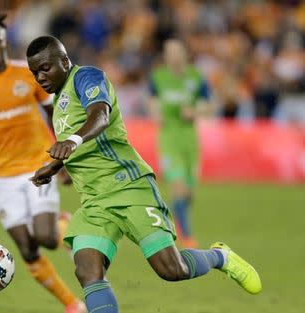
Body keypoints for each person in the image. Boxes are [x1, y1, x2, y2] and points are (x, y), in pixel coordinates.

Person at [26, 35, 261, 313]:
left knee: (172, 269)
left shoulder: (86, 77)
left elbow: (100, 115)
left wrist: (72, 141)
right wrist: (55, 167)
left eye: (45, 68)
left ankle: (221, 256)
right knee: (87, 271)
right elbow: (81, 148)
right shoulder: (58, 104)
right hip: (95, 202)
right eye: (34, 72)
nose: (40, 77)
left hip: (129, 187)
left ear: (64, 61)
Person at [0, 15, 85, 313]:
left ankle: (62, 223)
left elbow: (55, 114)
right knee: (27, 249)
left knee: (46, 239)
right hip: (1, 178)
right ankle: (72, 305)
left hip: (37, 166)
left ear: (5, 43)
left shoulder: (27, 75)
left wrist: (61, 159)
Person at [147, 39, 212, 248]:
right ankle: (187, 237)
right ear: (165, 57)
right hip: (169, 139)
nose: (173, 56)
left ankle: (178, 219)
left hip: (190, 139)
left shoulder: (196, 77)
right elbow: (152, 102)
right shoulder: (158, 78)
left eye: (176, 52)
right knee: (178, 188)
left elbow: (209, 104)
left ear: (184, 54)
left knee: (190, 193)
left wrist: (195, 112)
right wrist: (156, 113)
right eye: (169, 52)